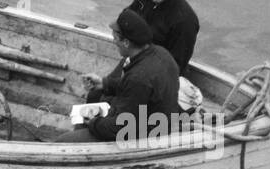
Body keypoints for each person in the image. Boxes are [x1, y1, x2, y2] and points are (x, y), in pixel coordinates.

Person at [58, 8, 180, 142]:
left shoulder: (139, 78)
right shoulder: (162, 53)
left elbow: (120, 128)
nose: (114, 41)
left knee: (62, 142)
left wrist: (93, 122)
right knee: (94, 96)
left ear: (126, 42)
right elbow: (133, 87)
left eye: (115, 38)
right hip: (152, 120)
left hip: (143, 137)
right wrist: (104, 83)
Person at [126, 0, 199, 76]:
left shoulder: (185, 21)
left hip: (160, 77)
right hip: (135, 59)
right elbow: (127, 19)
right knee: (98, 90)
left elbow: (175, 66)